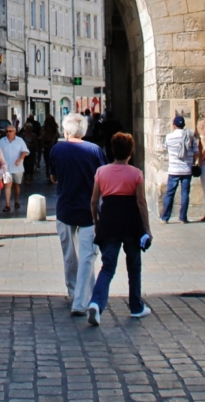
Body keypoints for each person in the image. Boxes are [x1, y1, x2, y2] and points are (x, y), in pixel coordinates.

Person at [87, 132, 152, 325]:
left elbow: (93, 201)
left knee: (108, 267)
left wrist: (97, 222)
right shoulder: (136, 174)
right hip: (131, 222)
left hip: (109, 219)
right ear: (130, 152)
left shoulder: (101, 172)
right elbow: (141, 202)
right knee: (134, 265)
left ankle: (96, 303)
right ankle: (136, 305)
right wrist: (147, 229)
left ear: (112, 151)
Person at [49, 113, 106, 315]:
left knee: (69, 254)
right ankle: (82, 300)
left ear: (65, 131)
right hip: (89, 210)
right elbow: (103, 179)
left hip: (65, 207)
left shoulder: (57, 149)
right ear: (83, 131)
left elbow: (53, 177)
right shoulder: (95, 150)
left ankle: (73, 290)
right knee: (87, 256)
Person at [161, 114, 198, 223]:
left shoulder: (169, 137)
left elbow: (165, 148)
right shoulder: (191, 136)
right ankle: (183, 218)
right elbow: (196, 152)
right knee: (185, 193)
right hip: (187, 169)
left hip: (174, 169)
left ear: (174, 125)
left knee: (170, 193)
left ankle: (165, 218)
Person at [0, 124, 28, 212]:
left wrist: (19, 159)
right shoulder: (2, 141)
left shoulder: (20, 140)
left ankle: (16, 200)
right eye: (7, 131)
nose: (8, 133)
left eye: (10, 131)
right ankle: (7, 204)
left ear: (15, 132)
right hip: (6, 168)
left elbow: (24, 151)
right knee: (7, 186)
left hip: (17, 168)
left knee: (16, 186)